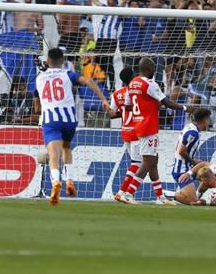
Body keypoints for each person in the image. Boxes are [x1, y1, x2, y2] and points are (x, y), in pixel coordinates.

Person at [34, 48, 111, 205]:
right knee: (66, 148)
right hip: (69, 119)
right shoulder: (68, 74)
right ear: (63, 61)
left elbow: (37, 108)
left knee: (54, 154)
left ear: (47, 60)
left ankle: (56, 182)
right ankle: (69, 179)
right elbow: (89, 81)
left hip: (51, 119)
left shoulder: (39, 78)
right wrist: (103, 100)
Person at [128, 57, 193, 205]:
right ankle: (129, 193)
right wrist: (185, 108)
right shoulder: (150, 84)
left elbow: (129, 105)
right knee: (148, 161)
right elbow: (166, 102)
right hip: (148, 125)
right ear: (149, 69)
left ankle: (160, 197)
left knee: (153, 161)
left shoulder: (133, 83)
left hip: (137, 124)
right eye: (153, 67)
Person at [110, 67, 141, 204]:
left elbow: (112, 114)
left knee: (137, 162)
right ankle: (123, 192)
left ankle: (123, 192)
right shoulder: (137, 91)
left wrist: (123, 111)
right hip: (137, 130)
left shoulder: (116, 93)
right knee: (138, 163)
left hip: (125, 130)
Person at [172, 108, 212, 205]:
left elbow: (178, 148)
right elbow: (181, 151)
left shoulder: (190, 127)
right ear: (204, 120)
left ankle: (196, 196)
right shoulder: (193, 133)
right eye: (208, 119)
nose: (209, 122)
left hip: (188, 167)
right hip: (182, 170)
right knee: (193, 202)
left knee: (210, 177)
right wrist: (193, 162)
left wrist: (192, 161)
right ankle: (165, 194)